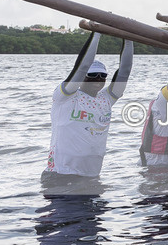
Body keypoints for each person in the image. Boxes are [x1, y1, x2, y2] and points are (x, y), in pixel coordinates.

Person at [44, 32, 133, 188]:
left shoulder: (106, 99)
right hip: (61, 175)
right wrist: (97, 32)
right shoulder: (65, 96)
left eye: (102, 76)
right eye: (92, 75)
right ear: (83, 76)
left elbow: (124, 71)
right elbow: (82, 66)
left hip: (91, 177)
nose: (98, 79)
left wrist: (128, 37)